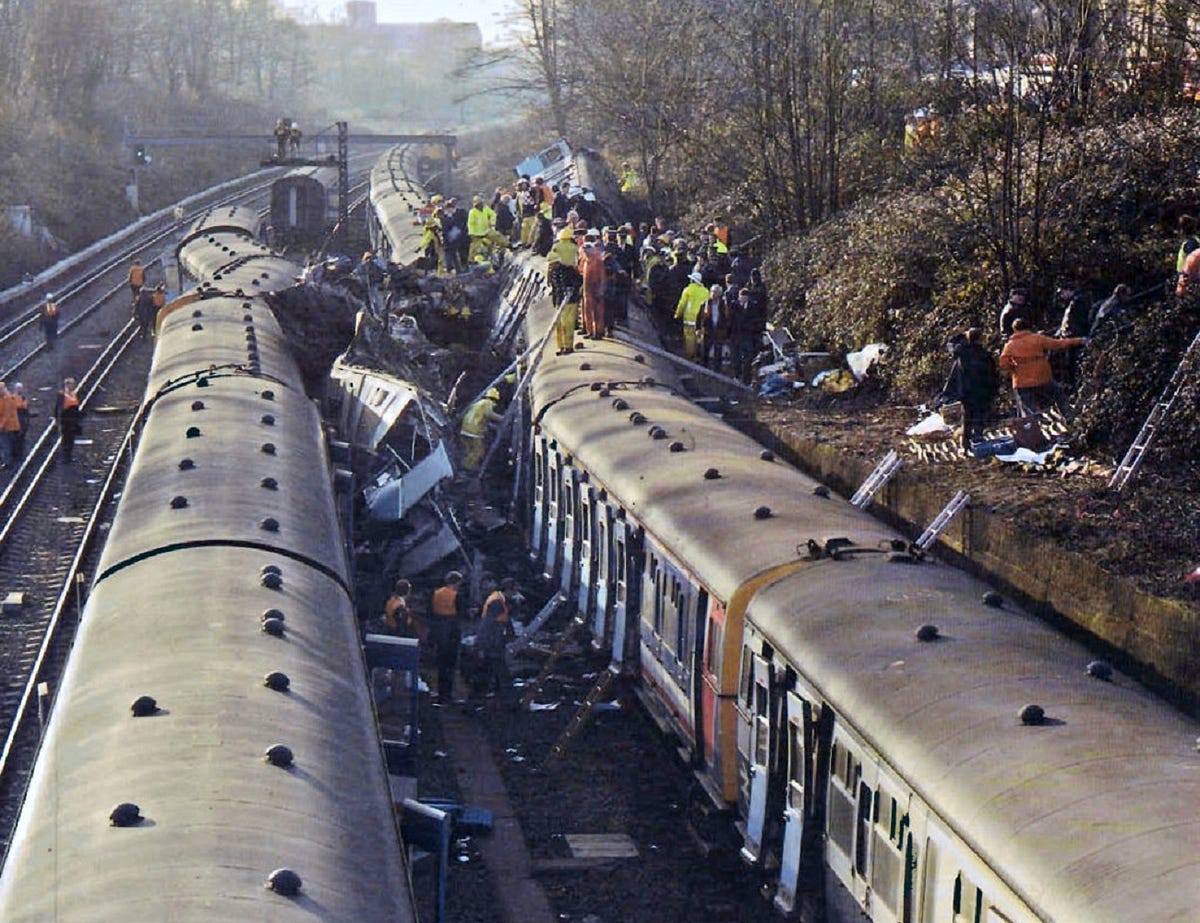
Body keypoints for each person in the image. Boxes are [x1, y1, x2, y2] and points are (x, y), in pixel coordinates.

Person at [998, 318, 1086, 417]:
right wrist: (1079, 340)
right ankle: (1069, 416)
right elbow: (1058, 344)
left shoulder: (1010, 345)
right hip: (1042, 378)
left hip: (1021, 382)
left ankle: (1033, 428)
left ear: (1014, 330)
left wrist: (1015, 368)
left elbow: (1003, 363)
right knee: (1058, 394)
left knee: (1028, 410)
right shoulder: (1037, 338)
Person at [938, 328, 1000, 452]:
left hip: (966, 391)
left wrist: (962, 335)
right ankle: (978, 440)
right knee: (980, 415)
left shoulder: (961, 353)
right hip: (982, 390)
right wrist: (994, 389)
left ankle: (965, 445)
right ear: (980, 339)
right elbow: (992, 374)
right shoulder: (985, 355)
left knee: (967, 417)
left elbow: (950, 343)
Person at [428, 571, 468, 704]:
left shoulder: (436, 593)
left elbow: (430, 612)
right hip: (451, 632)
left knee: (440, 665)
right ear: (456, 582)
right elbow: (462, 614)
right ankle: (448, 696)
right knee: (450, 666)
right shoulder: (457, 596)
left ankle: (440, 693)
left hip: (439, 631)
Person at [547, 227, 583, 354]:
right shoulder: (558, 270)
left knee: (566, 323)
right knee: (562, 324)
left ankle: (567, 346)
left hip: (568, 299)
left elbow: (578, 280)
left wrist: (571, 290)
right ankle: (562, 346)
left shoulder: (566, 271)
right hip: (562, 299)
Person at [471, 597, 512, 701]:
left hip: (491, 652)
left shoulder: (490, 621)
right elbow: (484, 637)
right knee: (493, 678)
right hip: (490, 653)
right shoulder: (491, 622)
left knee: (487, 679)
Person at [459, 388, 504, 472]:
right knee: (479, 451)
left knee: (469, 450)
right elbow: (489, 414)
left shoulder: (478, 403)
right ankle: (467, 468)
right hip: (473, 432)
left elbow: (480, 417)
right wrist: (502, 418)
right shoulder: (488, 403)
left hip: (465, 429)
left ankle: (464, 466)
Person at [675, 271, 709, 359]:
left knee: (689, 336)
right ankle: (700, 354)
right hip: (700, 318)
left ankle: (690, 355)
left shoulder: (688, 290)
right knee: (699, 337)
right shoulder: (706, 291)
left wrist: (677, 314)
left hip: (689, 317)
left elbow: (682, 304)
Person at [698, 284, 730, 370]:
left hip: (719, 330)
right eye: (712, 292)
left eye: (715, 292)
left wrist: (725, 328)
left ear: (719, 294)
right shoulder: (705, 304)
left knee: (718, 349)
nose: (713, 294)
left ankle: (717, 368)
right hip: (708, 329)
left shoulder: (724, 305)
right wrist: (699, 328)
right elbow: (700, 317)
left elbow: (726, 317)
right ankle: (704, 367)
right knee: (705, 349)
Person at [55, 378, 84, 464]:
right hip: (66, 420)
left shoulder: (73, 394)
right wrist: (58, 421)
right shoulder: (62, 395)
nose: (72, 386)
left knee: (71, 439)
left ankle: (69, 457)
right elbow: (58, 409)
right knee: (66, 439)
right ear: (67, 385)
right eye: (71, 384)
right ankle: (65, 458)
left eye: (73, 384)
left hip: (73, 420)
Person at [0, 382, 17, 470]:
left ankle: (8, 462)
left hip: (7, 427)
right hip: (4, 426)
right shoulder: (3, 398)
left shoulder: (7, 399)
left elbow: (6, 415)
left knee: (5, 444)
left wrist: (1, 426)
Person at [10, 383, 29, 462]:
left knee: (21, 437)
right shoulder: (12, 398)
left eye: (20, 388)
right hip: (14, 420)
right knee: (14, 437)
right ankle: (15, 454)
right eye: (18, 388)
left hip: (22, 420)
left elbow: (26, 410)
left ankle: (20, 454)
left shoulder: (24, 398)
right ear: (15, 389)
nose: (19, 390)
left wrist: (27, 420)